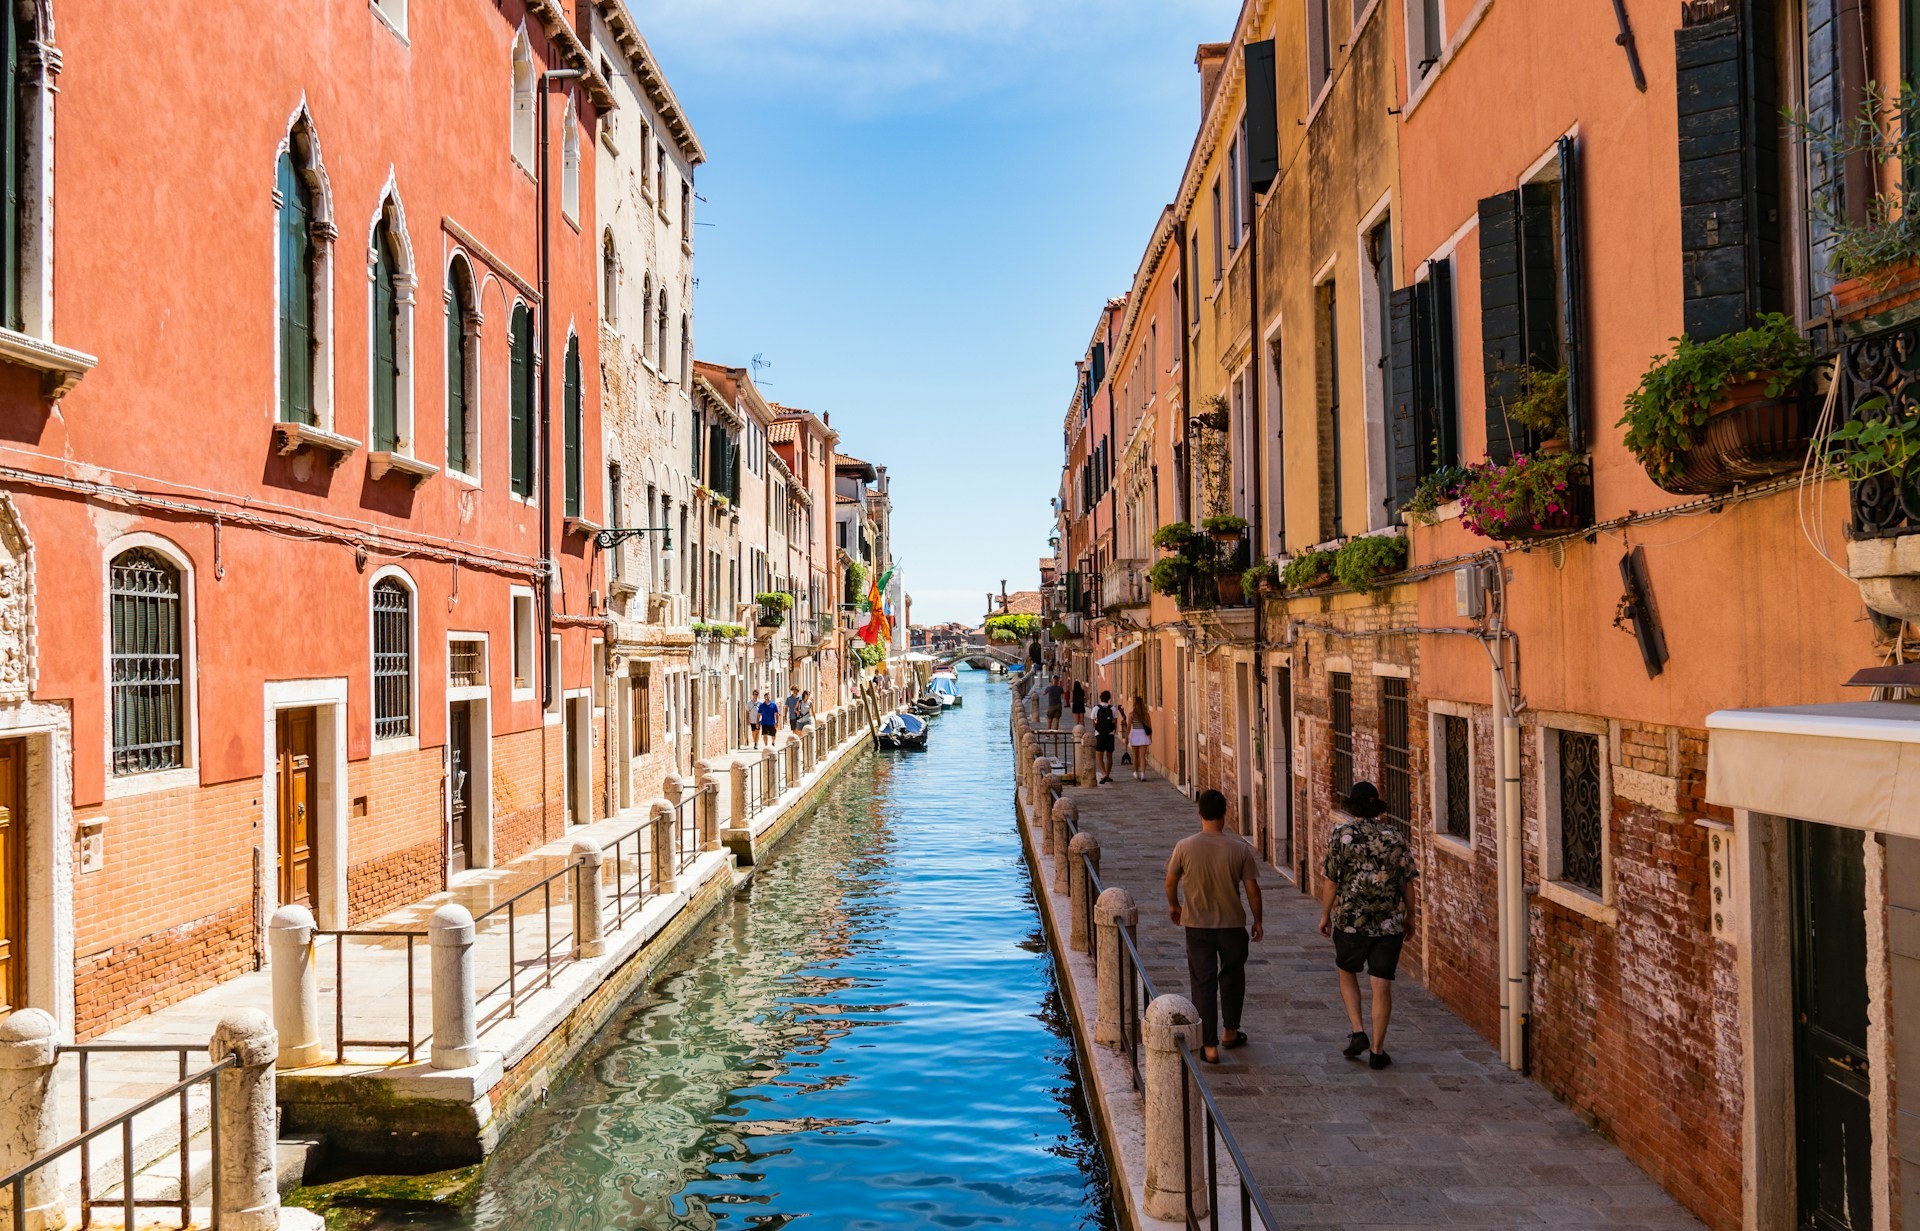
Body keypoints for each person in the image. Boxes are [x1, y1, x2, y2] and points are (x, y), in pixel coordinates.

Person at [1318, 781, 1419, 1071]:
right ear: (1376, 808)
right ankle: (1377, 1050)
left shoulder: (1342, 835)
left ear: (1353, 806)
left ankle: (1358, 1030)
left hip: (1351, 920)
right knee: (1381, 983)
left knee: (1347, 971)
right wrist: (1411, 916)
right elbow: (1408, 882)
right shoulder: (1394, 836)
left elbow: (1331, 880)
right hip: (1389, 922)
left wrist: (1325, 914)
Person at [1164, 790, 1263, 1064]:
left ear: (1200, 814)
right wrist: (1258, 920)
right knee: (1232, 977)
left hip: (1197, 926)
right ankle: (1230, 1031)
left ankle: (1209, 1046)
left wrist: (1174, 906)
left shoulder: (1184, 847)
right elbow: (1253, 891)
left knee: (1203, 982)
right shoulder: (1239, 849)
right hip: (1232, 925)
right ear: (1225, 814)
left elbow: (1170, 881)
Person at [1089, 690, 1119, 784]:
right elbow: (1115, 721)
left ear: (1100, 698)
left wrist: (1097, 728)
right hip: (1110, 735)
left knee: (1099, 756)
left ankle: (1104, 773)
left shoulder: (1096, 709)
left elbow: (1093, 721)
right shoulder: (1113, 709)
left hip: (1100, 735)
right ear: (1109, 698)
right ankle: (1108, 774)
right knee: (1109, 756)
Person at [1125, 696, 1152, 780]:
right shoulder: (1146, 715)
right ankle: (1143, 774)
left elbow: (1129, 726)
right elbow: (1150, 727)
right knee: (1142, 756)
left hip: (1135, 735)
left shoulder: (1131, 714)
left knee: (1135, 756)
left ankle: (1136, 773)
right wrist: (1150, 738)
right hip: (1143, 735)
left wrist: (1126, 737)